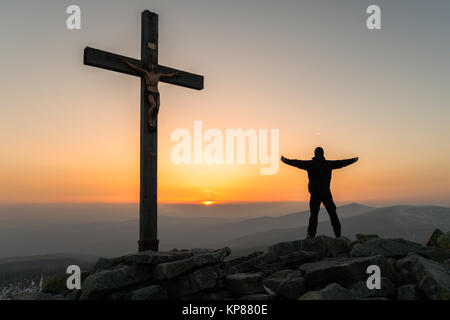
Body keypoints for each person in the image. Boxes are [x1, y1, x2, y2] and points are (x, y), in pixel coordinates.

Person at [281, 147, 358, 238]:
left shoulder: (310, 164)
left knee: (314, 215)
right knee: (332, 213)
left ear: (315, 154)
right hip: (326, 194)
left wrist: (285, 160)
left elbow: (297, 163)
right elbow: (341, 163)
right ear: (323, 154)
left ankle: (311, 235)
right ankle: (338, 234)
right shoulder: (328, 164)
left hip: (315, 194)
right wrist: (353, 160)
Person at [122, 59, 180, 128]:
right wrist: (127, 62)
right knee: (153, 105)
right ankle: (150, 120)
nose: (151, 66)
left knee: (157, 108)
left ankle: (153, 120)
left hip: (157, 93)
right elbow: (135, 68)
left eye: (152, 65)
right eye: (150, 65)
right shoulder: (146, 73)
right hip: (150, 92)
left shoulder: (158, 75)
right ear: (148, 67)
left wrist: (174, 74)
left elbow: (168, 75)